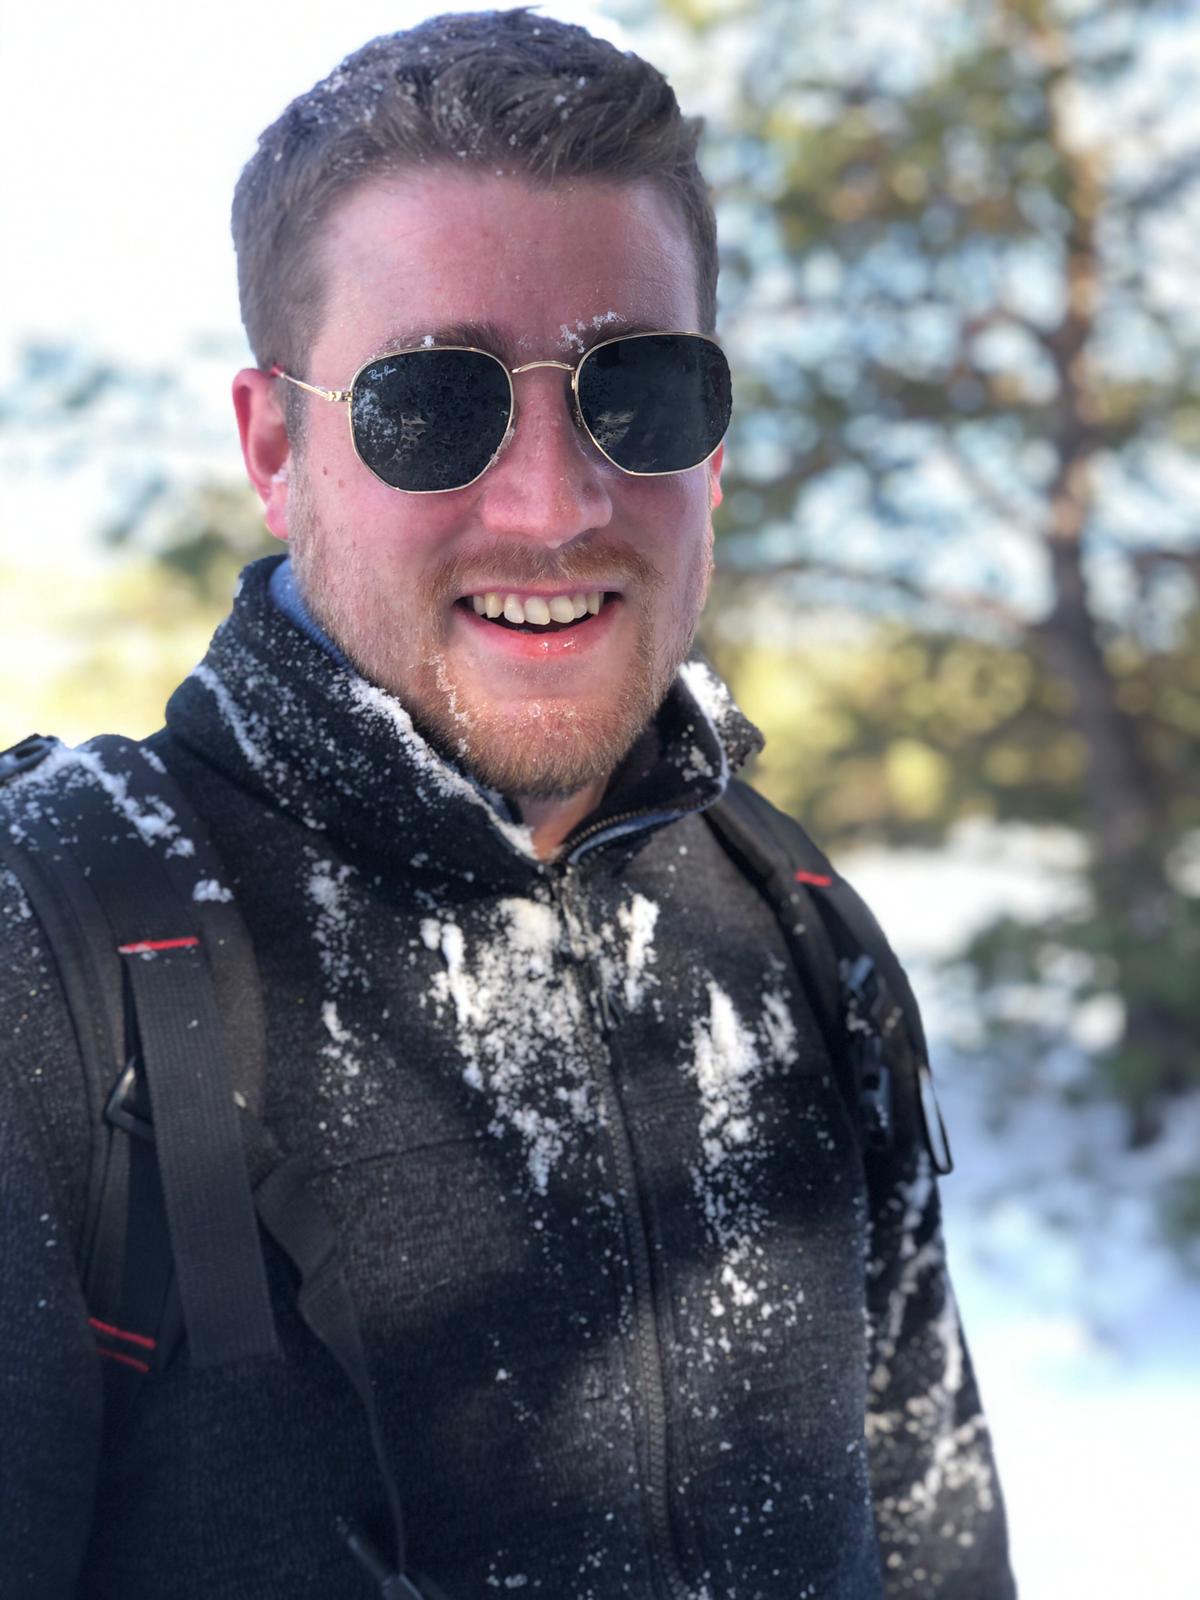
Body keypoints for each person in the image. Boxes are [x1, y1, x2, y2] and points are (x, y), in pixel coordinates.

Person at [0, 9, 1017, 1598]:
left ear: (716, 448)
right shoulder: (48, 966)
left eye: (641, 390)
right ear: (274, 447)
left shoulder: (800, 936)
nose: (552, 504)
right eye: (433, 403)